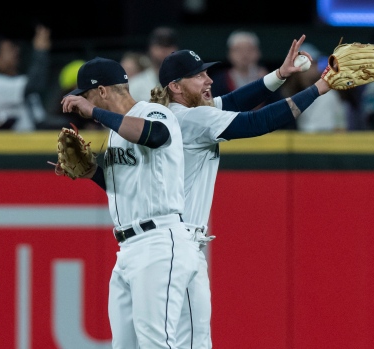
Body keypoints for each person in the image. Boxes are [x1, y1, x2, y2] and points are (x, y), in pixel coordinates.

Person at [149, 35, 336, 348]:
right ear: (176, 87)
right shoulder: (192, 117)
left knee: (176, 340)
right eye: (199, 76)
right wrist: (318, 89)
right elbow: (256, 122)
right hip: (176, 245)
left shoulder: (180, 113)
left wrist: (281, 74)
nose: (209, 79)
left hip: (167, 243)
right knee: (189, 341)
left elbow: (234, 102)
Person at [60, 57, 200, 349]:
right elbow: (120, 186)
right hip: (128, 249)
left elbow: (156, 135)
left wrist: (95, 112)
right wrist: (91, 174)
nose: (82, 104)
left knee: (155, 343)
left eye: (85, 96)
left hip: (160, 242)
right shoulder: (116, 133)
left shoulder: (154, 112)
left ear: (101, 92)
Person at [0, 24, 51, 131]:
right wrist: (40, 51)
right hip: (8, 145)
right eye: (9, 49)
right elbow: (34, 84)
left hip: (31, 143)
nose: (16, 51)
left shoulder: (20, 80)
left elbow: (40, 121)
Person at [279, 43, 348, 132]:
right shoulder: (282, 94)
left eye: (314, 63)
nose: (313, 68)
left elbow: (316, 134)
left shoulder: (326, 95)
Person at [210, 30, 276, 110]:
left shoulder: (271, 79)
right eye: (238, 50)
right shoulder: (219, 81)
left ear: (258, 53)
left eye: (249, 49)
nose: (244, 54)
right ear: (229, 54)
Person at [128, 26, 179, 102]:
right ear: (150, 48)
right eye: (160, 45)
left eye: (168, 46)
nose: (164, 50)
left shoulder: (186, 82)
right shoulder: (135, 84)